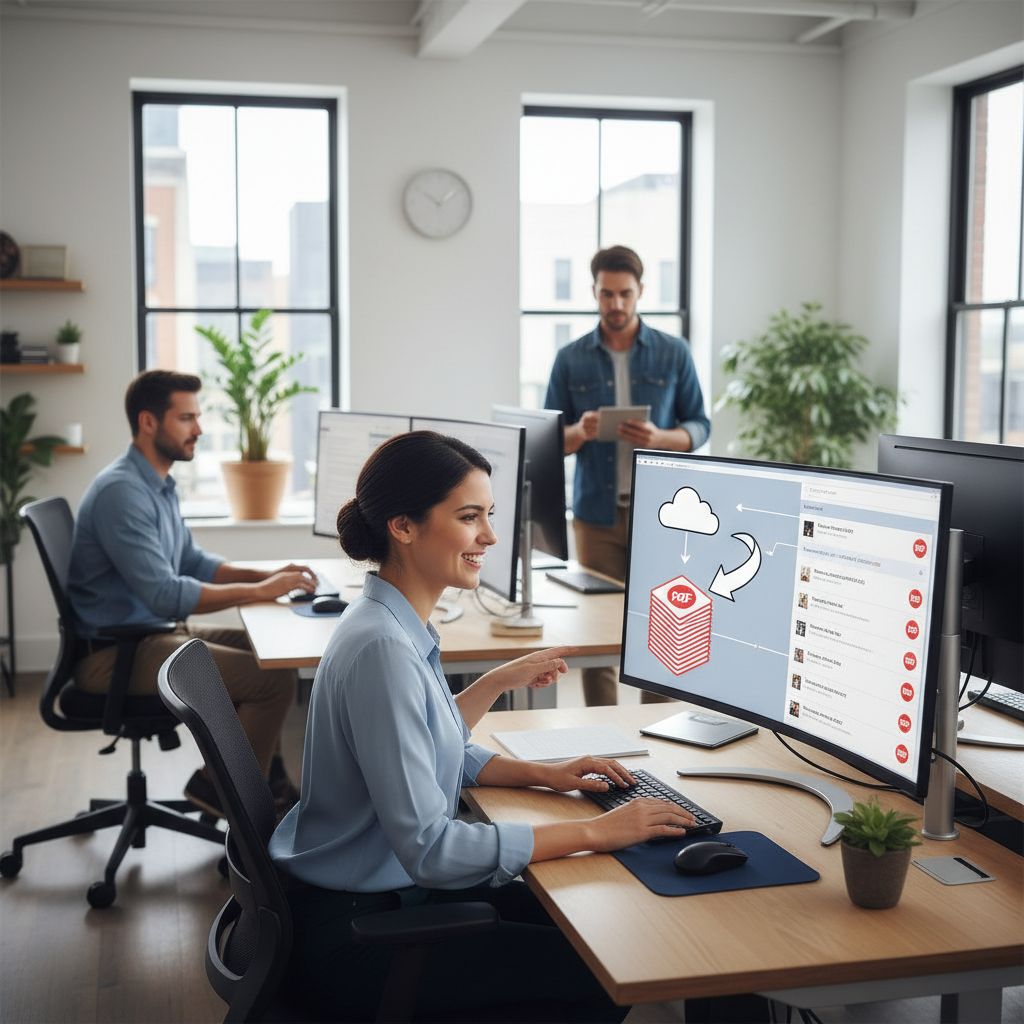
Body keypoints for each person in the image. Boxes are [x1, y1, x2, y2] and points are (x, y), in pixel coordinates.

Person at [270, 431, 697, 1022]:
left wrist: (545, 772)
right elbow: (431, 849)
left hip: (378, 896)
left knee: (593, 921)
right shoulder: (382, 649)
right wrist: (597, 832)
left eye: (489, 515)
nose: (491, 537)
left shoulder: (389, 622)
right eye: (470, 517)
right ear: (404, 526)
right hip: (358, 938)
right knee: (606, 972)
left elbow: (431, 743)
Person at [68, 369, 317, 817]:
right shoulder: (122, 492)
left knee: (270, 656)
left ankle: (268, 784)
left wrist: (267, 574)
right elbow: (166, 594)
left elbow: (192, 562)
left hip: (150, 634)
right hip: (113, 655)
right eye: (187, 418)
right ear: (148, 422)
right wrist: (259, 591)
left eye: (198, 417)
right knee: (272, 682)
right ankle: (227, 797)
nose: (199, 429)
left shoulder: (157, 483)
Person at [545, 245, 711, 706]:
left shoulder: (673, 353)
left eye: (624, 294)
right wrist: (580, 431)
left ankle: (657, 730)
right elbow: (548, 440)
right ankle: (602, 730)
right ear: (594, 292)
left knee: (663, 628)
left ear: (640, 291)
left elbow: (700, 427)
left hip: (663, 514)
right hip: (595, 517)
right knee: (597, 630)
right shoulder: (570, 358)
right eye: (606, 294)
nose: (615, 304)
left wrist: (660, 437)